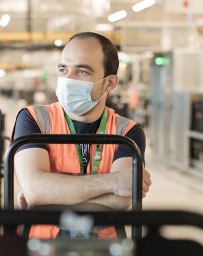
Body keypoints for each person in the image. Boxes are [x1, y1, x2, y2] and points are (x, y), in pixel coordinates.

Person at [12, 32, 152, 238]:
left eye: (82, 72)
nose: (68, 79)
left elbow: (123, 199)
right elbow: (35, 190)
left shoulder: (127, 132)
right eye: (63, 70)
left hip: (105, 249)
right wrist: (113, 182)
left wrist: (48, 201)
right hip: (39, 247)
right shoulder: (34, 119)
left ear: (110, 83)